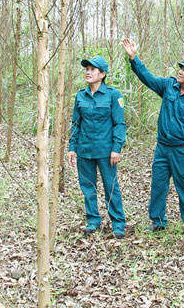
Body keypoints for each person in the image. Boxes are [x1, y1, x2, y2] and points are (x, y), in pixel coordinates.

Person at [121, 38, 184, 240]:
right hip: (162, 147)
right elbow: (148, 78)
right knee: (159, 184)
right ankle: (158, 221)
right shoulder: (168, 86)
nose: (180, 71)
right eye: (180, 68)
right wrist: (134, 58)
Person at [68, 56, 127, 239]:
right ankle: (93, 220)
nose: (88, 72)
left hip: (106, 151)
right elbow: (76, 124)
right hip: (84, 150)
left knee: (111, 187)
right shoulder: (80, 95)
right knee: (88, 187)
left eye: (93, 69)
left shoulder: (113, 95)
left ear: (102, 74)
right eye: (87, 69)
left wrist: (116, 148)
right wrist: (72, 147)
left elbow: (119, 124)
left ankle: (118, 223)